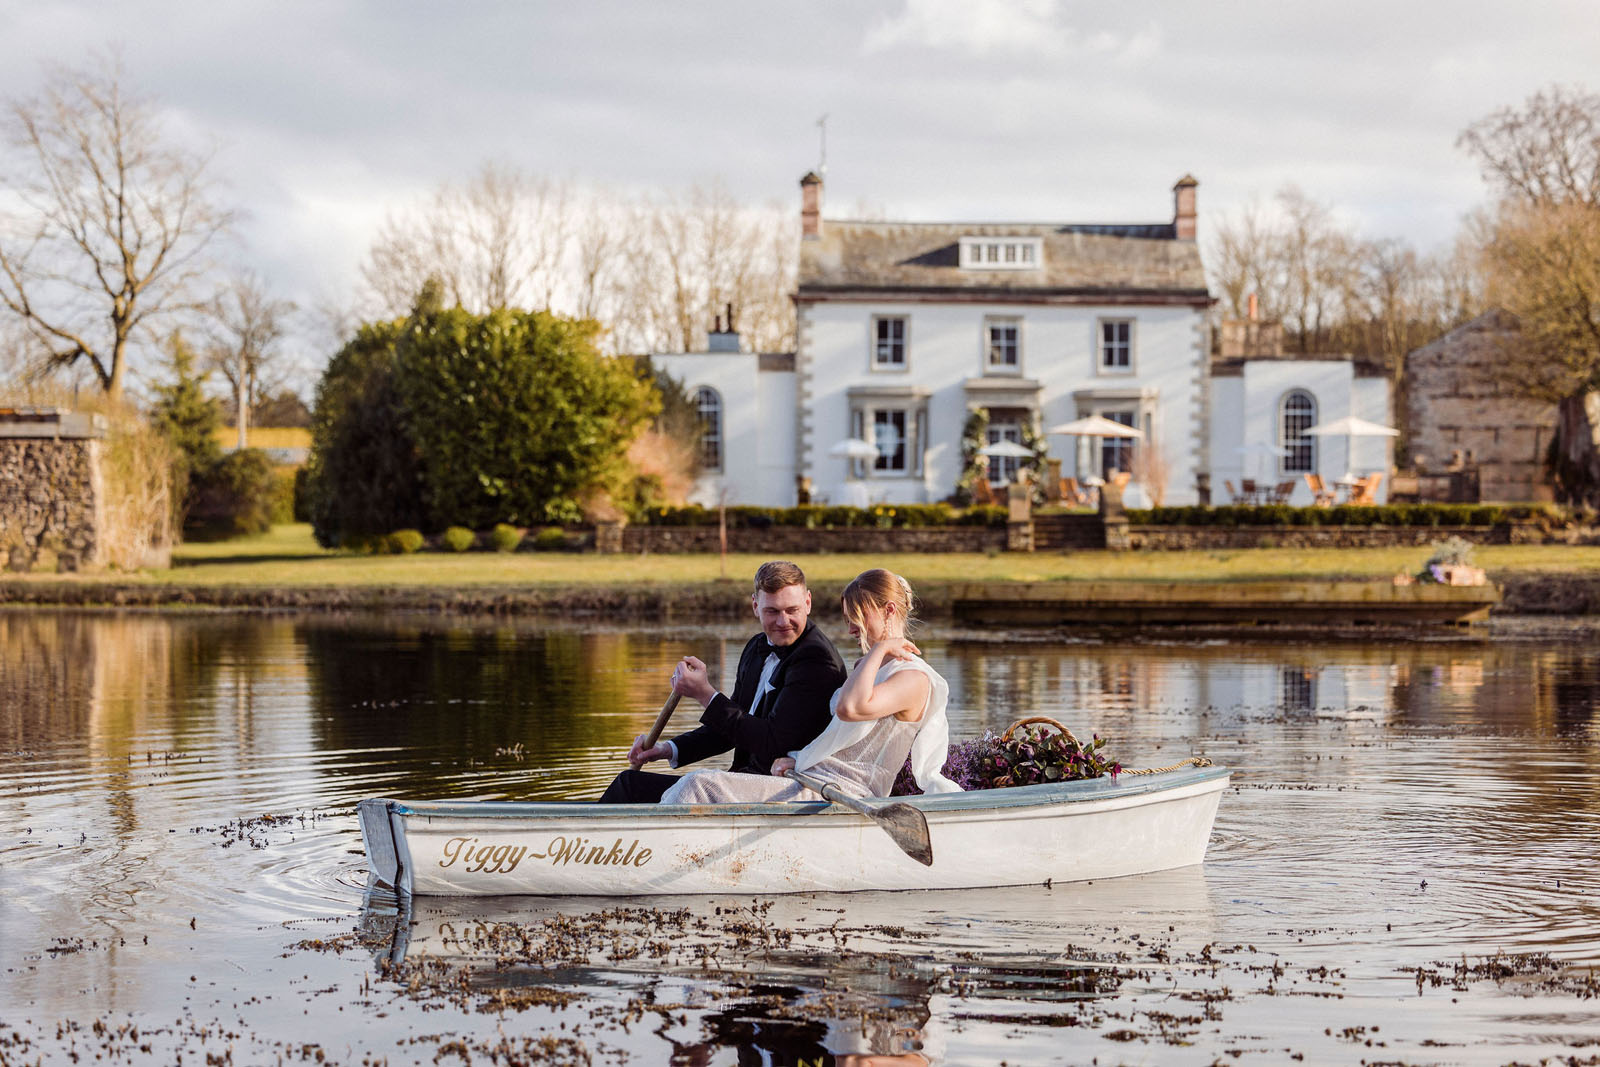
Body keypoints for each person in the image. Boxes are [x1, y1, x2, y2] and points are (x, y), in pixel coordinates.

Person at [660, 569, 961, 804]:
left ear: (889, 610)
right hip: (811, 778)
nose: (850, 629)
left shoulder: (913, 678)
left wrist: (879, 650)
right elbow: (838, 738)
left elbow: (850, 708)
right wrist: (798, 759)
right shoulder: (866, 668)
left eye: (857, 617)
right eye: (847, 619)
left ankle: (648, 857)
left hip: (846, 793)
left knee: (700, 785)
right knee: (696, 784)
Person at [599, 560, 846, 804]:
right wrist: (668, 749)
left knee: (634, 786)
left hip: (784, 789)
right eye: (772, 611)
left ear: (808, 603)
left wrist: (705, 695)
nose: (783, 622)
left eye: (792, 610)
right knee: (629, 784)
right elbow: (731, 731)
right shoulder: (755, 648)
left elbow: (772, 743)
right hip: (742, 781)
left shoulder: (816, 659)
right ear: (755, 606)